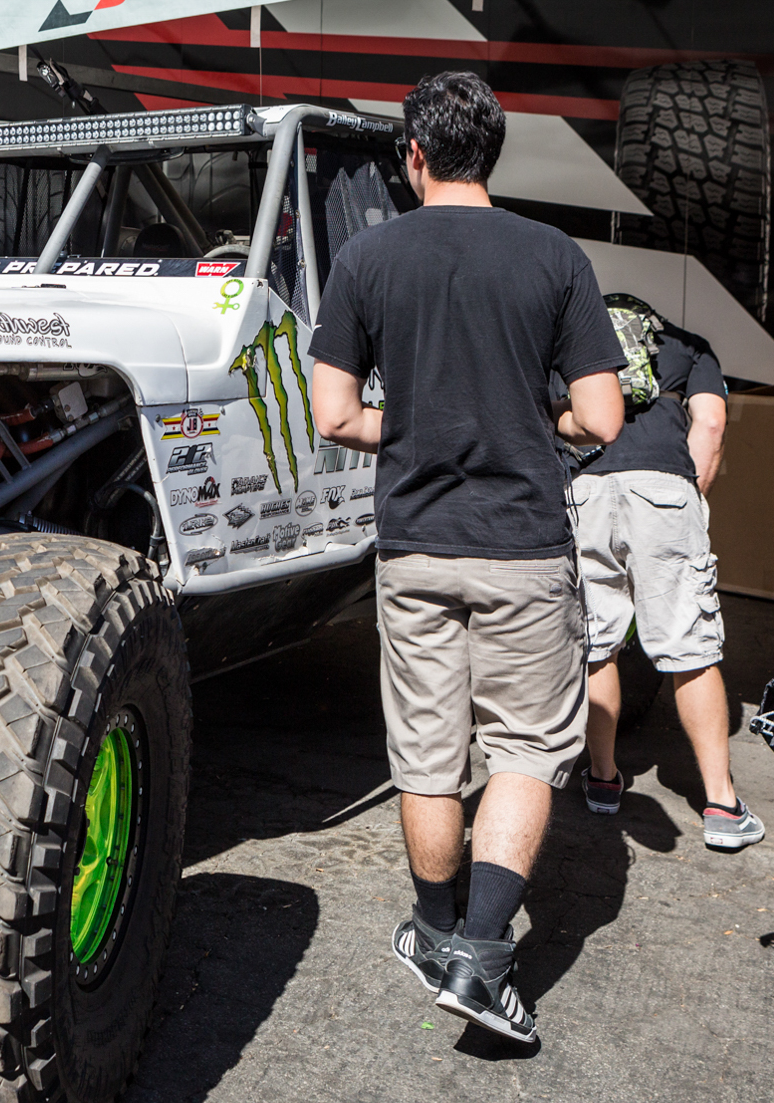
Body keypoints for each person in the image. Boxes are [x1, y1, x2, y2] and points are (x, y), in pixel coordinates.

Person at [309, 70, 625, 1044]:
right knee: (528, 746)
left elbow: (332, 414)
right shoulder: (554, 255)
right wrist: (529, 418)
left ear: (412, 154)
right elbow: (605, 416)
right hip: (526, 544)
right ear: (491, 153)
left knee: (428, 755)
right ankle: (483, 959)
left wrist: (419, 424)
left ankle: (435, 928)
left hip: (413, 546)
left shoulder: (365, 258)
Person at [570, 299, 765, 850]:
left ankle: (603, 778)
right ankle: (722, 805)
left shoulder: (578, 343)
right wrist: (690, 500)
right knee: (690, 645)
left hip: (585, 491)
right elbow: (710, 421)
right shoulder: (689, 345)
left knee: (597, 642)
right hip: (662, 488)